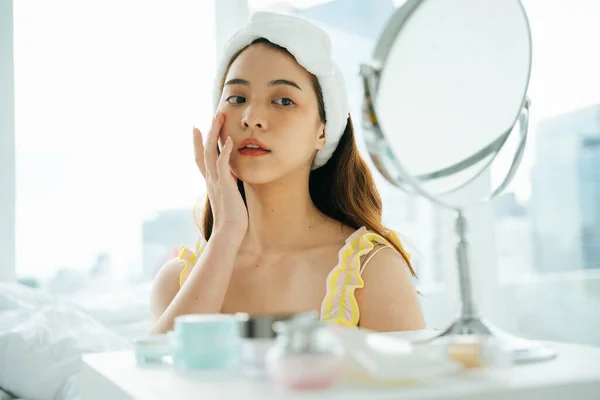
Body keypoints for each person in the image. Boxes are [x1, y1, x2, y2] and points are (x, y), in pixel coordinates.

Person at [149, 11, 425, 334]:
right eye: (237, 98)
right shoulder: (175, 282)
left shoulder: (373, 273)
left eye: (282, 100)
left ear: (323, 130)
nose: (252, 118)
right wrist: (227, 232)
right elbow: (158, 380)